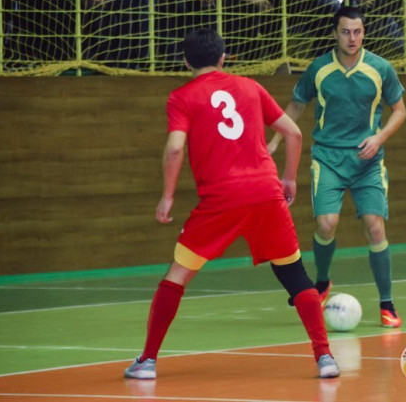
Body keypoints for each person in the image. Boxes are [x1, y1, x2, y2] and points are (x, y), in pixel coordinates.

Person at [123, 28, 340, 380]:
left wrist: (167, 195)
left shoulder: (181, 97)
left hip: (220, 200)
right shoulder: (250, 87)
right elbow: (294, 133)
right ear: (223, 58)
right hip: (265, 192)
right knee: (295, 275)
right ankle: (325, 357)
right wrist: (288, 178)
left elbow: (175, 148)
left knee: (177, 275)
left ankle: (147, 361)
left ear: (185, 61)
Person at [268, 5, 406, 328]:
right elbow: (297, 105)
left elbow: (400, 110)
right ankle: (323, 280)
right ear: (335, 34)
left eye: (357, 32)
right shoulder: (319, 69)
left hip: (367, 162)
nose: (352, 38)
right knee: (326, 225)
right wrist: (274, 141)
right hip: (328, 159)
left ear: (364, 33)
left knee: (375, 227)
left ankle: (387, 302)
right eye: (345, 32)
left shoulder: (380, 68)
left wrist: (380, 138)